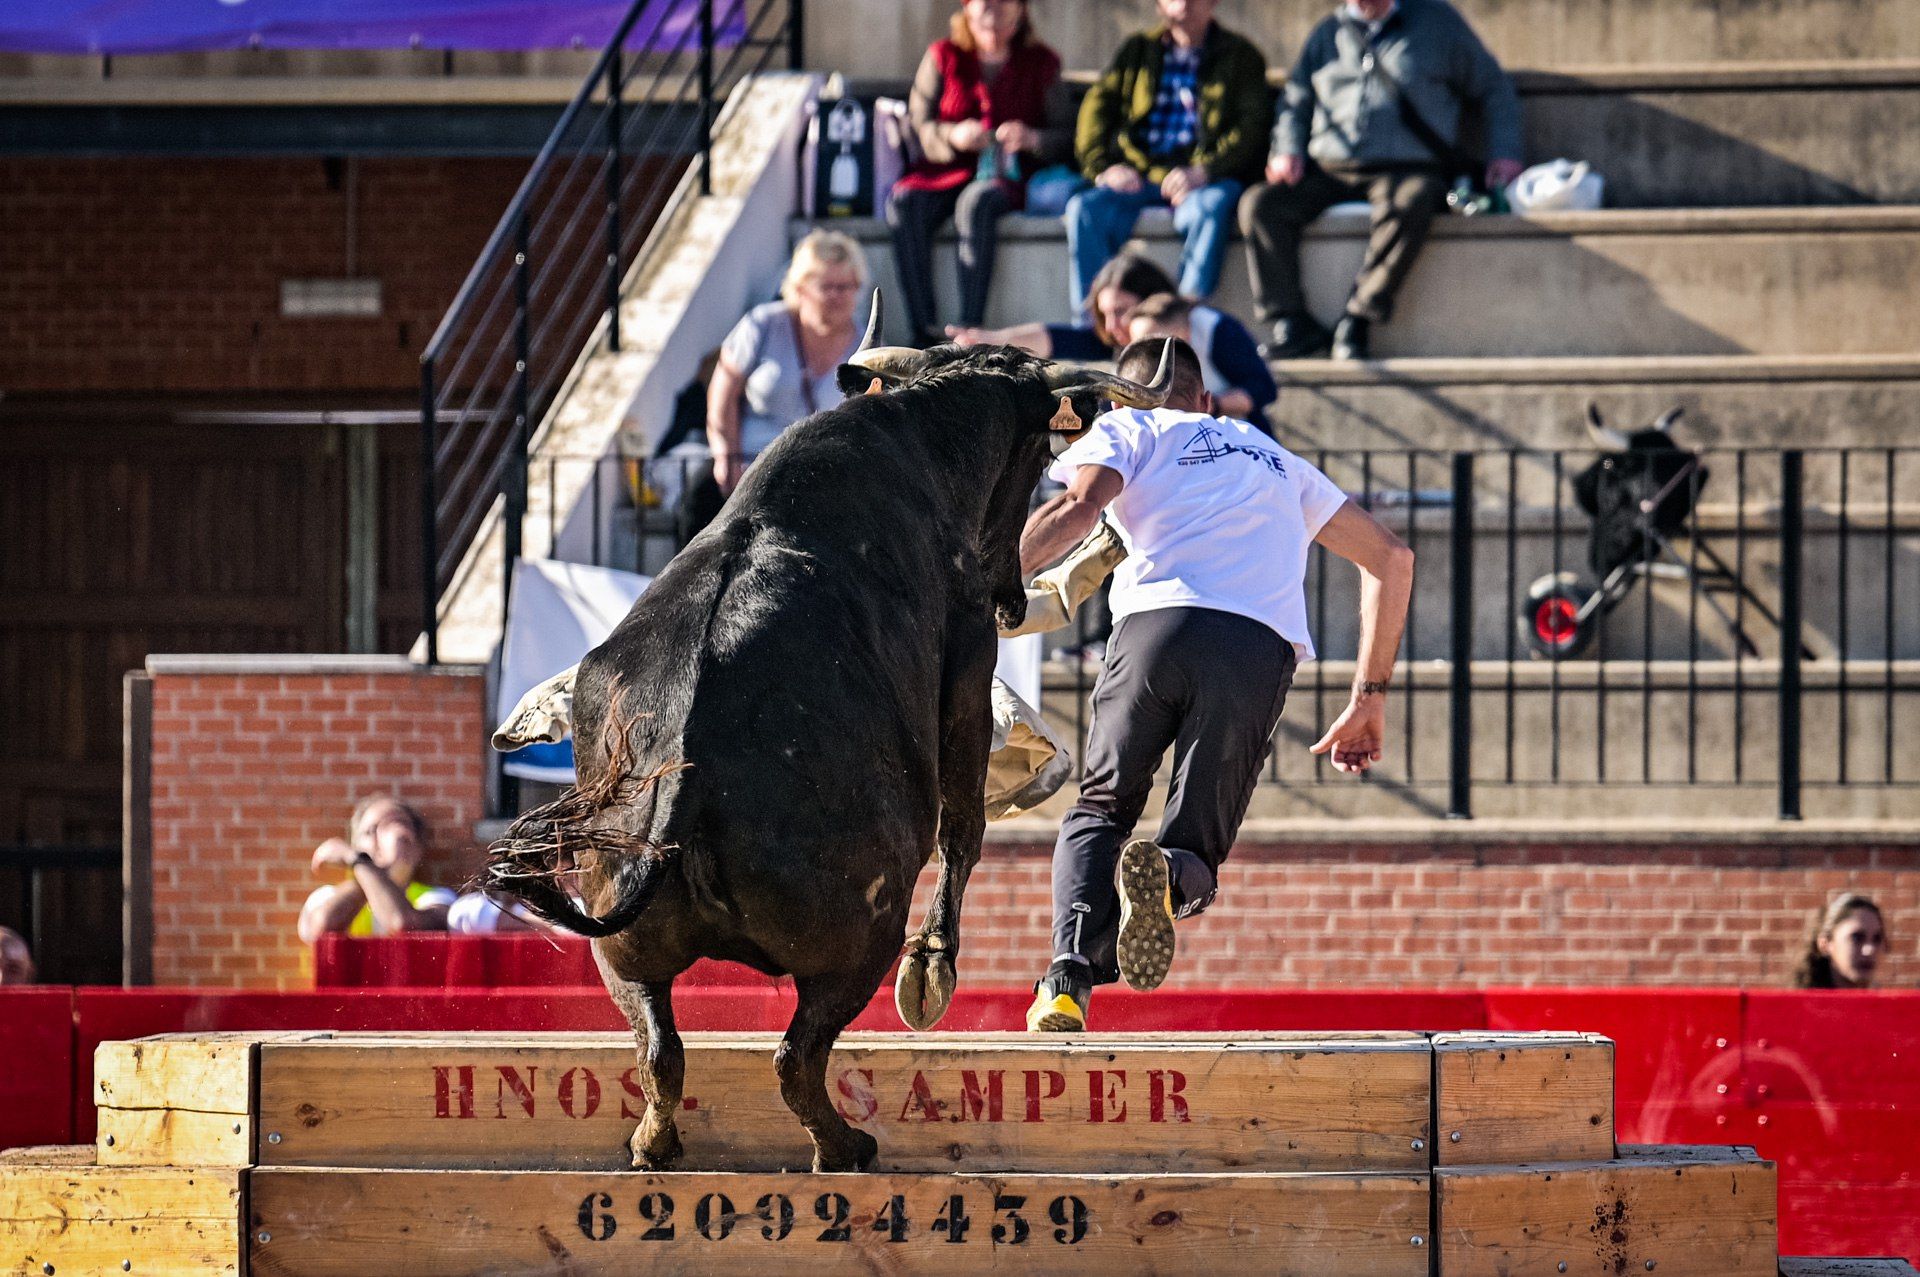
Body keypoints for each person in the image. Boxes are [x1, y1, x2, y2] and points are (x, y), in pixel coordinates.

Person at [1018, 336, 1414, 1031]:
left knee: (1103, 808)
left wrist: (974, 581)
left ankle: (1065, 979)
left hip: (1154, 632)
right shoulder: (1272, 455)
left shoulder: (1129, 423)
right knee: (1196, 847)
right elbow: (1392, 556)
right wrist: (1368, 700)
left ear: (1121, 396)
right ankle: (1168, 877)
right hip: (1254, 649)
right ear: (1205, 400)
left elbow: (1077, 511)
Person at [1240, 0, 1523, 360]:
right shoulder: (1328, 33)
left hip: (1408, 168)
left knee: (1411, 201)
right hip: (1329, 166)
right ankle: (1292, 322)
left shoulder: (1438, 24)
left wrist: (1505, 151)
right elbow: (1295, 102)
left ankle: (1358, 316)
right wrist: (1287, 149)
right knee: (1260, 204)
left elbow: (1494, 87)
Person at [887, 0, 1075, 348]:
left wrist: (1032, 138)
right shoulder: (942, 56)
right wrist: (953, 135)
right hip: (944, 171)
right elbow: (920, 124)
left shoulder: (1042, 61)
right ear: (967, 10)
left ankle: (969, 331)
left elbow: (1066, 135)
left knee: (977, 204)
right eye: (986, 5)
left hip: (1008, 176)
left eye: (1005, 6)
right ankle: (923, 330)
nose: (995, 14)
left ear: (1021, 12)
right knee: (904, 202)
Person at [1067, 0, 1270, 311]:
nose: (1184, 3)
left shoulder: (1241, 56)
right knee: (1084, 207)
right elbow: (1095, 111)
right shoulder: (1137, 51)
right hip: (1139, 176)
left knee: (1212, 205)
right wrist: (1103, 169)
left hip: (1203, 179)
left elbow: (1251, 128)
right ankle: (1093, 323)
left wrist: (1205, 171)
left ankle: (1184, 319)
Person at [950, 253, 1274, 425]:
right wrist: (990, 340)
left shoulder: (1213, 328)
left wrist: (1212, 405)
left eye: (1122, 310)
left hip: (1237, 440)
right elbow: (1056, 338)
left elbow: (1262, 388)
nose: (1112, 324)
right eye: (1105, 313)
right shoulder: (1122, 334)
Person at [708, 229, 870, 495]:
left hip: (830, 481)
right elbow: (723, 393)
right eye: (827, 287)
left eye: (846, 287)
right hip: (751, 471)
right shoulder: (763, 324)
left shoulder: (869, 344)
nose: (837, 296)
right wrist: (726, 455)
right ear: (801, 289)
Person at [297, 796, 456, 942]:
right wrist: (362, 863)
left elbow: (404, 924)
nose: (377, 838)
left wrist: (377, 868)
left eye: (395, 825)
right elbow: (321, 929)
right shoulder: (326, 896)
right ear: (355, 845)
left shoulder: (437, 898)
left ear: (417, 847)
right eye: (369, 831)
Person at [1125, 292, 1278, 427]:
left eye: (1155, 349)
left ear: (1183, 334)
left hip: (1238, 436)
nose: (1146, 355)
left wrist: (1214, 405)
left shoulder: (1217, 329)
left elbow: (1262, 389)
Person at [1792, 893, 1887, 989]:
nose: (1869, 950)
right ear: (1825, 944)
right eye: (1856, 938)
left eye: (1877, 939)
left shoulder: (1883, 1002)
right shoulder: (1802, 1003)